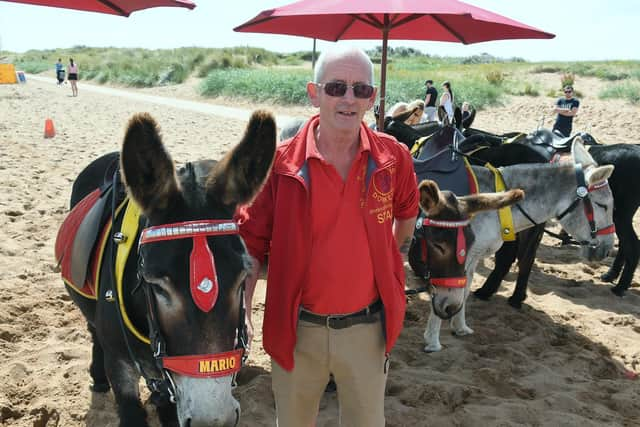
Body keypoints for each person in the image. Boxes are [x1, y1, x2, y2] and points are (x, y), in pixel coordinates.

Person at [239, 46, 419, 427]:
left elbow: (406, 215)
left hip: (368, 330)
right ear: (314, 92)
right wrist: (243, 312)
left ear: (373, 98)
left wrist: (388, 258)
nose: (349, 99)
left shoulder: (394, 158)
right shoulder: (279, 165)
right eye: (336, 87)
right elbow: (250, 245)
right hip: (296, 330)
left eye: (361, 89)